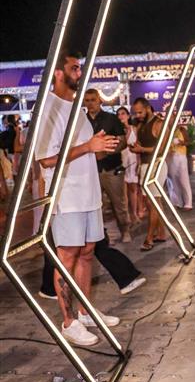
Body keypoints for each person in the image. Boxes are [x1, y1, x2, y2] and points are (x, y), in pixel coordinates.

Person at [35, 49, 121, 346]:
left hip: (89, 193)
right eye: (74, 68)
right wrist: (87, 147)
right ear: (58, 73)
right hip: (67, 196)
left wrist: (100, 146)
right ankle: (68, 321)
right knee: (67, 257)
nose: (79, 73)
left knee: (87, 252)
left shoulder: (77, 107)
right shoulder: (48, 108)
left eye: (80, 68)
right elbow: (46, 159)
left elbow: (84, 148)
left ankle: (85, 312)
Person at [83, 89, 131, 243]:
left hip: (112, 167)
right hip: (91, 170)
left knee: (119, 203)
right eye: (87, 100)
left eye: (93, 99)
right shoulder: (82, 122)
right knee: (97, 206)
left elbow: (123, 142)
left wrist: (107, 151)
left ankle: (125, 230)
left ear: (100, 100)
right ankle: (103, 237)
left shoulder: (111, 119)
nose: (90, 103)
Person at [130, 97, 168, 251]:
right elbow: (141, 145)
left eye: (140, 112)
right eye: (136, 113)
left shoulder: (159, 123)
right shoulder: (141, 125)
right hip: (145, 165)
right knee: (153, 203)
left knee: (154, 203)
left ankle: (149, 237)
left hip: (157, 165)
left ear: (147, 108)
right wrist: (137, 149)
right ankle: (162, 233)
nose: (138, 115)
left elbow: (162, 148)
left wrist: (142, 149)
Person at [117, 105, 141, 226]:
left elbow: (138, 145)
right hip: (121, 160)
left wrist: (139, 162)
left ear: (128, 116)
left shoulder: (134, 129)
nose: (120, 116)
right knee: (123, 191)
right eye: (118, 114)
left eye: (123, 113)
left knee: (133, 188)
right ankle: (126, 217)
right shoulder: (116, 130)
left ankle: (134, 214)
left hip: (133, 160)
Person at [167, 122, 192, 210]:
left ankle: (188, 203)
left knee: (184, 179)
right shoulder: (167, 130)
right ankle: (177, 202)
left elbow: (188, 142)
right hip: (170, 156)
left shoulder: (181, 129)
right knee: (173, 180)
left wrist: (182, 142)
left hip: (181, 156)